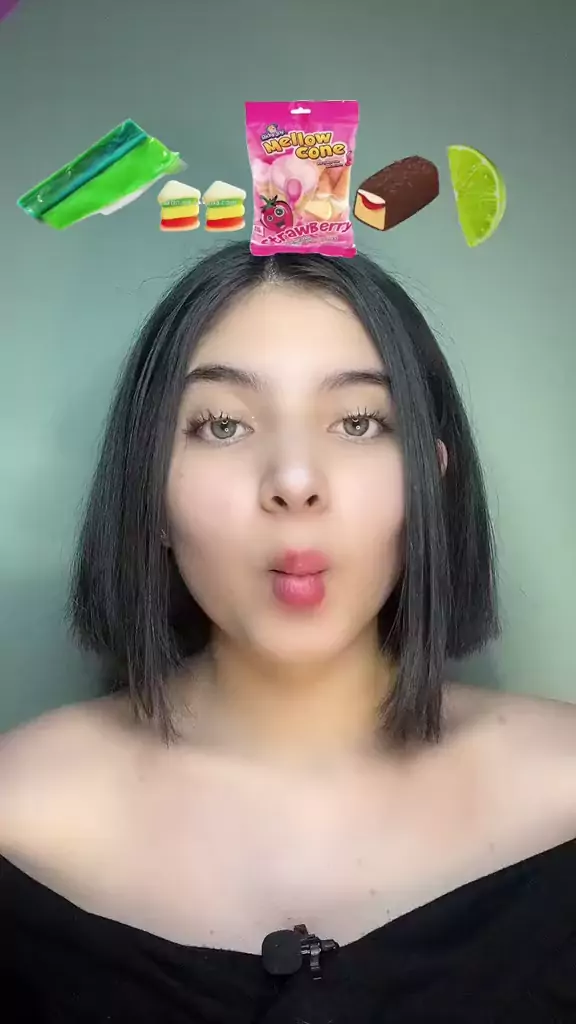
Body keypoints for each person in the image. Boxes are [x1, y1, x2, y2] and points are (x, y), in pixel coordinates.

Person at [0, 241, 574, 1023]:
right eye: (223, 425)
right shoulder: (17, 817)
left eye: (360, 422)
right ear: (147, 487)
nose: (295, 482)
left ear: (430, 482)